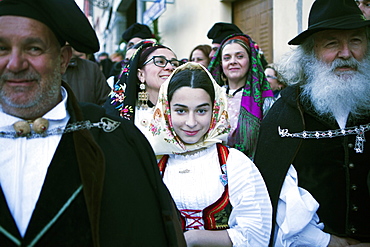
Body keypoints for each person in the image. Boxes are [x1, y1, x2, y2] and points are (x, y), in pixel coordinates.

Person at [0, 0, 186, 246]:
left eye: (34, 48)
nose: (15, 64)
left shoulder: (117, 140)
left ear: (63, 59)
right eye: (1, 48)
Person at [254, 0, 370, 246]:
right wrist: (325, 241)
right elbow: (275, 196)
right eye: (332, 43)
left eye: (356, 41)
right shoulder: (285, 115)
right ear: (311, 52)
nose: (346, 53)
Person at [149, 62, 272, 246]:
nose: (191, 122)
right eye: (181, 111)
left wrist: (194, 238)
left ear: (215, 110)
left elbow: (257, 235)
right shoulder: (155, 163)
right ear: (166, 110)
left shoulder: (234, 163)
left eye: (201, 111)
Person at [208, 34, 274, 159]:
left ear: (250, 61)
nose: (233, 61)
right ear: (221, 64)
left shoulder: (264, 102)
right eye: (227, 58)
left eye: (240, 56)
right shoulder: (212, 97)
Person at [104, 42, 179, 145]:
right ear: (141, 75)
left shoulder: (187, 108)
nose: (170, 67)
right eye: (160, 61)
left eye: (174, 63)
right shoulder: (124, 114)